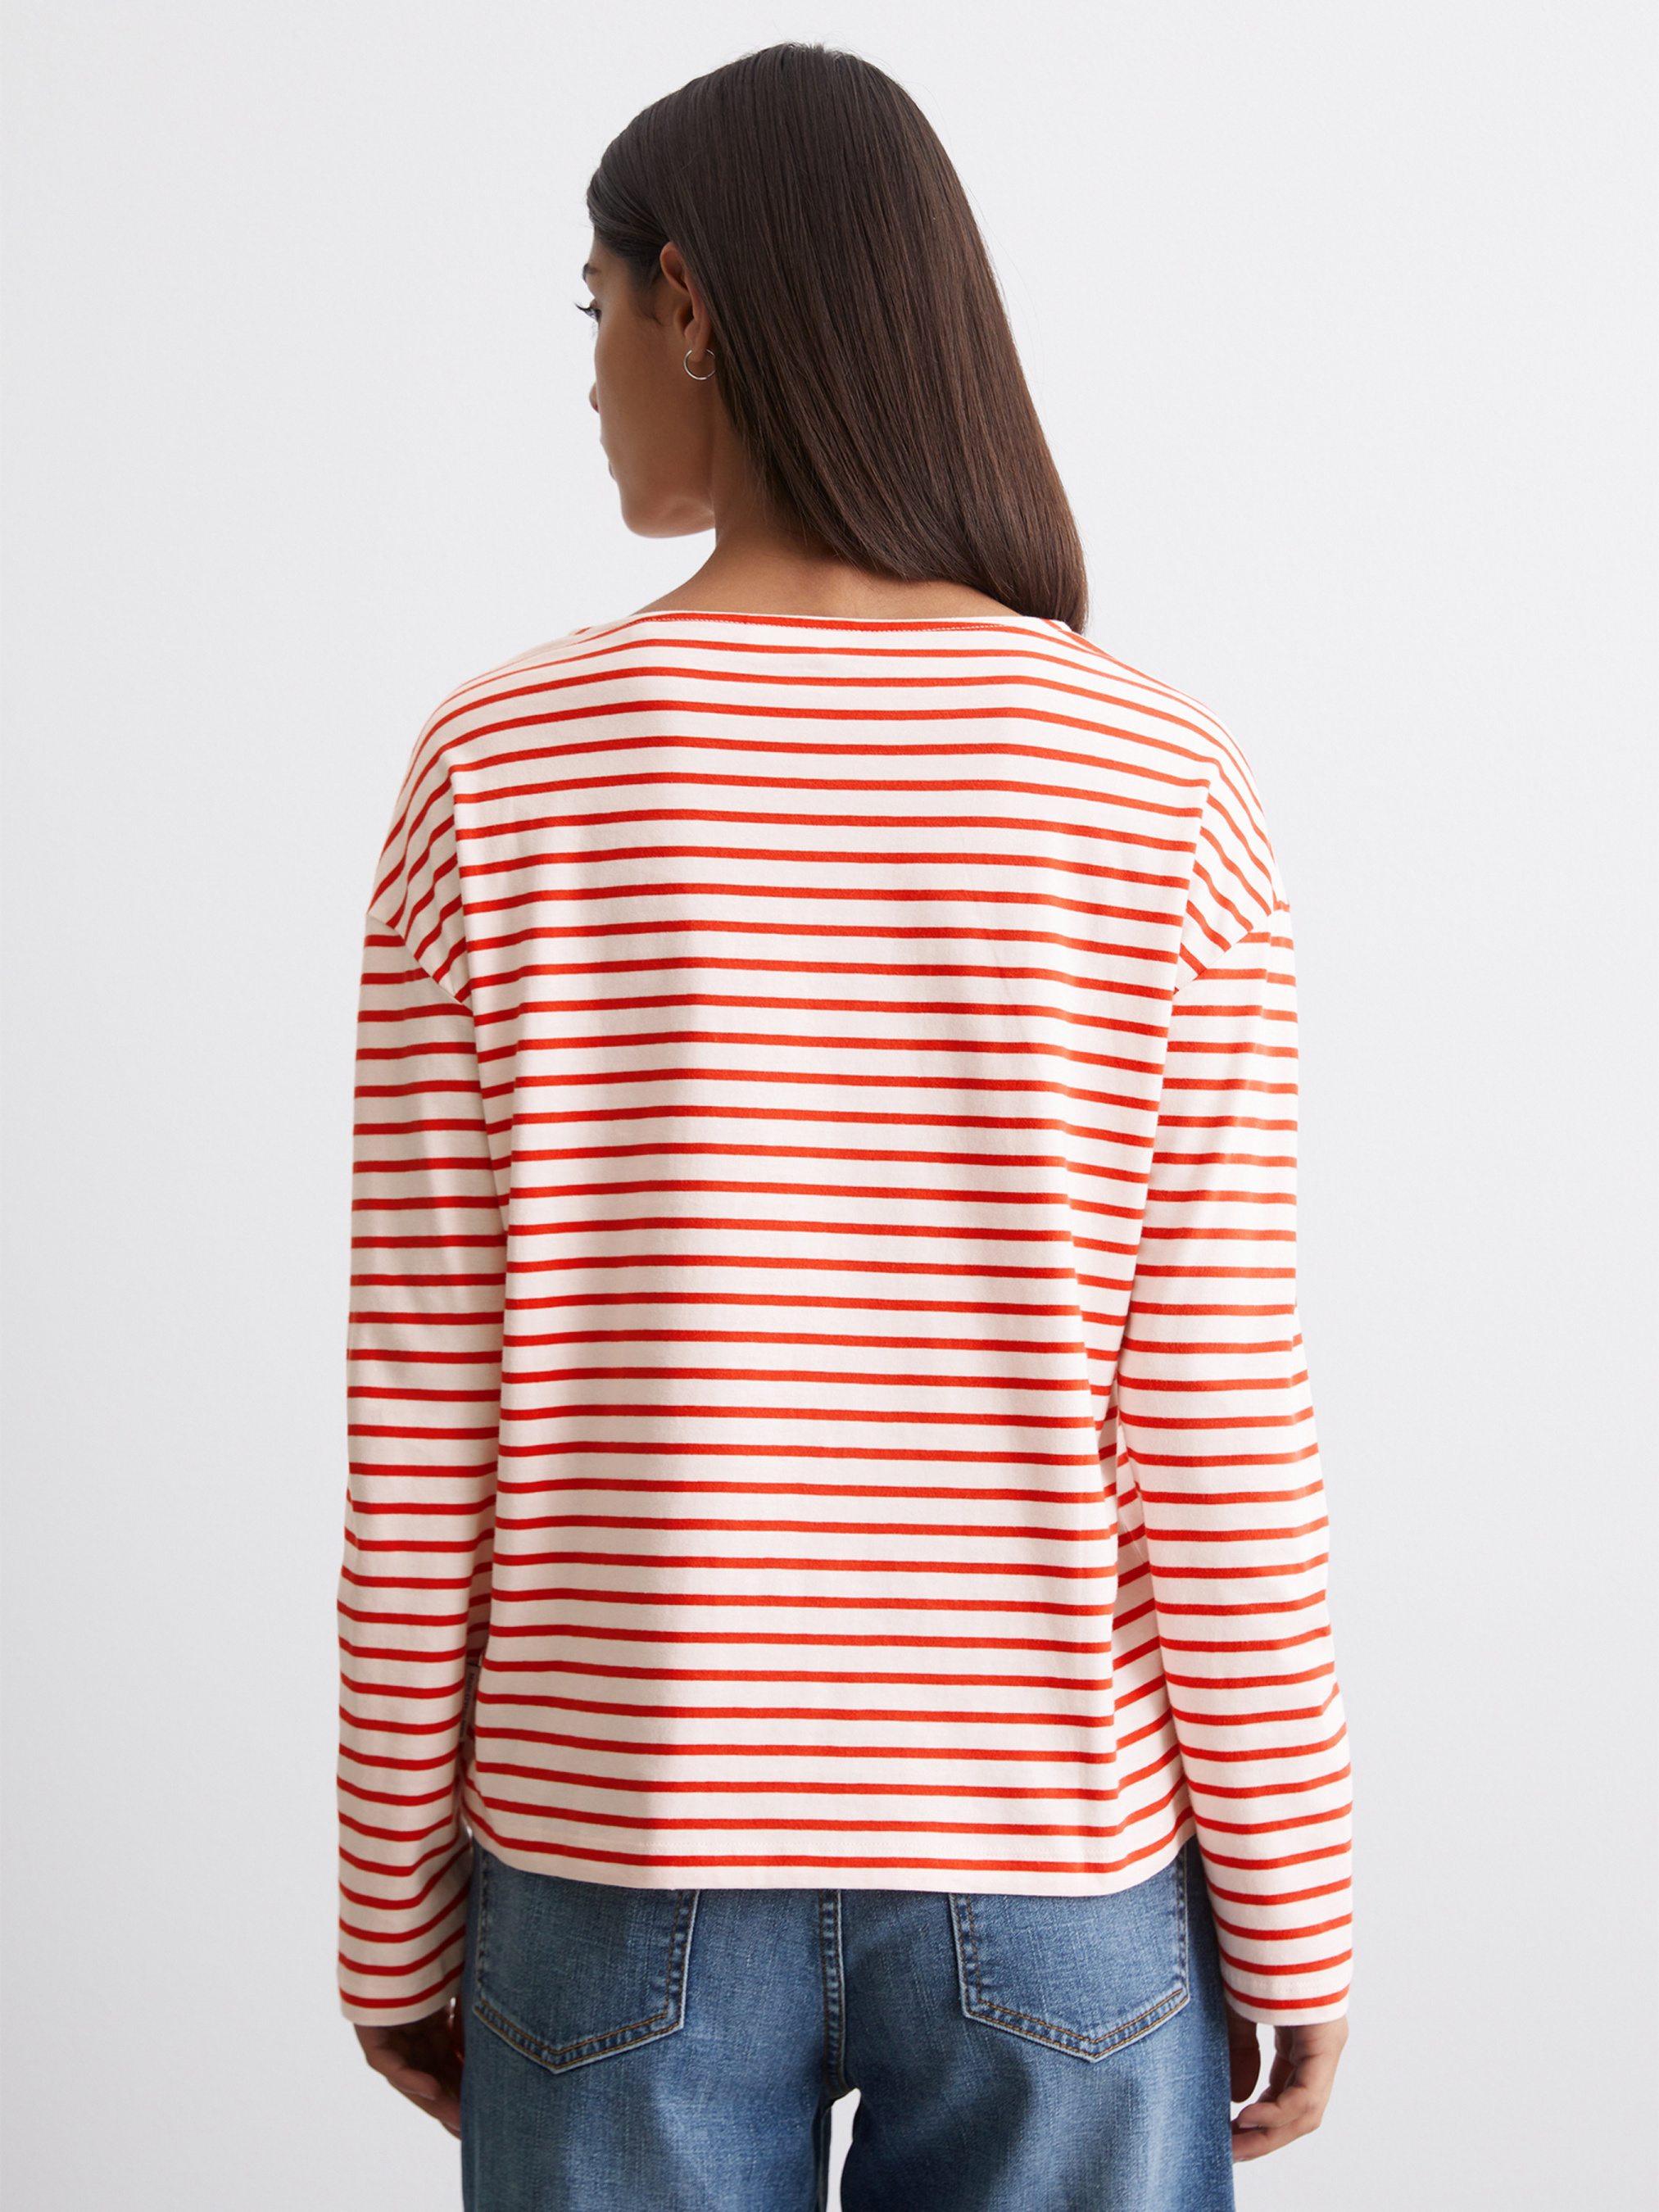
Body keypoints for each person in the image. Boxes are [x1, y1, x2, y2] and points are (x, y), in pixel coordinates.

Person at [336, 42, 1351, 2210]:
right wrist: (1294, 1903)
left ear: (692, 304)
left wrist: (389, 1913)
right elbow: (1212, 1410)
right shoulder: (1159, 783)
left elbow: (426, 1414)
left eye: (596, 306)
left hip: (612, 1844)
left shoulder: (497, 773)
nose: (589, 372)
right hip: (1054, 1856)